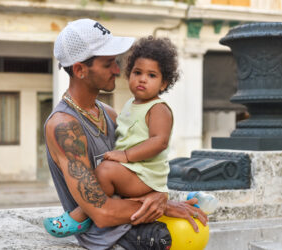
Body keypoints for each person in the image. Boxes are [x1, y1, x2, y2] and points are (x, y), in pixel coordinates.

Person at [44, 18, 207, 250]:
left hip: (131, 221)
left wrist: (159, 195)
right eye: (108, 64)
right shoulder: (64, 127)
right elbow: (100, 211)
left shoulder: (109, 114)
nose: (118, 70)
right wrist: (163, 205)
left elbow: (140, 167)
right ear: (80, 70)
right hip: (107, 237)